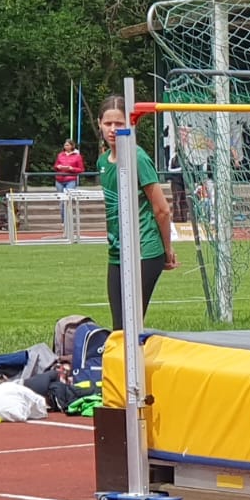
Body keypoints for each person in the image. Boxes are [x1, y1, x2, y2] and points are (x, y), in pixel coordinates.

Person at [96, 95, 177, 330]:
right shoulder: (103, 162)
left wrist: (167, 250)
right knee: (120, 328)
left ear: (130, 124)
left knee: (129, 324)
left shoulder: (137, 158)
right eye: (108, 123)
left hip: (144, 250)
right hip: (117, 251)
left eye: (119, 123)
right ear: (100, 124)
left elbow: (162, 209)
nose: (113, 129)